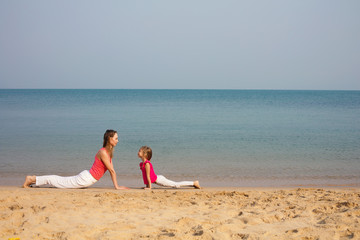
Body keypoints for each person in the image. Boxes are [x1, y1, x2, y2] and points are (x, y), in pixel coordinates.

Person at [23, 129, 129, 190]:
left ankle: (34, 180)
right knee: (58, 182)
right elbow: (112, 171)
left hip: (87, 178)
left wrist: (117, 186)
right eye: (116, 138)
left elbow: (111, 169)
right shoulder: (103, 152)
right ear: (109, 139)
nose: (117, 141)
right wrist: (117, 187)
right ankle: (32, 179)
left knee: (60, 181)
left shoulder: (108, 152)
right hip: (85, 179)